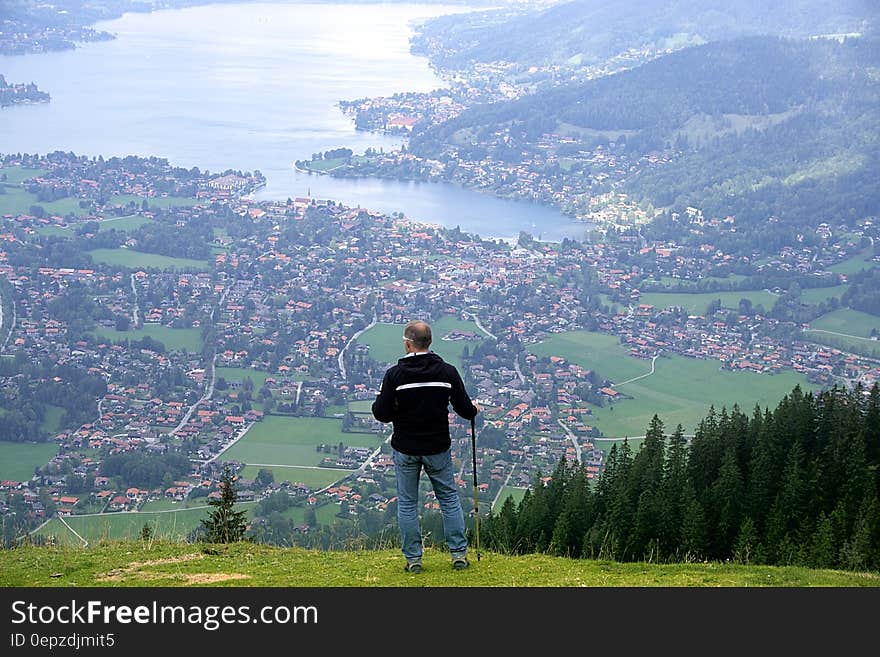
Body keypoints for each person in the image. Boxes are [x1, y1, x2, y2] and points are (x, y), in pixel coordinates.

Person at [372, 319, 480, 573]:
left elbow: (382, 414)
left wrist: (389, 404)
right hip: (437, 446)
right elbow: (465, 410)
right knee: (448, 499)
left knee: (408, 503)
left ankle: (414, 560)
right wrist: (474, 409)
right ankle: (458, 555)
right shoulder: (447, 372)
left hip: (406, 447)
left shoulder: (395, 375)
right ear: (429, 342)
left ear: (408, 344)